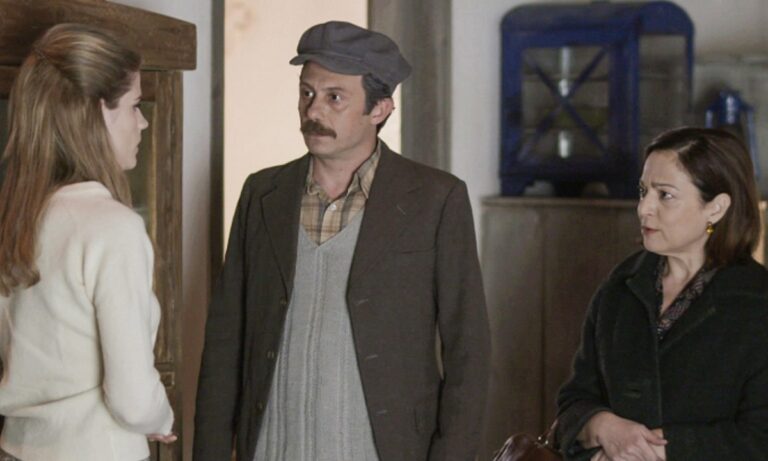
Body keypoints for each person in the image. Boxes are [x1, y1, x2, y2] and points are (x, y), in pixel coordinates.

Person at [194, 20, 490, 461]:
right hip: (272, 449)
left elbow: (469, 349)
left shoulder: (436, 199)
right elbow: (224, 339)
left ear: (380, 109)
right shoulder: (263, 193)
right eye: (307, 93)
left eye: (334, 97)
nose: (313, 110)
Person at [0, 23, 175, 461]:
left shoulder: (17, 217)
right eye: (134, 105)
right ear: (100, 113)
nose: (143, 121)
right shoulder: (112, 227)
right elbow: (133, 400)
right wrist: (161, 418)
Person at [556, 127, 768, 461]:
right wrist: (602, 426)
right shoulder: (621, 286)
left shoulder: (756, 303)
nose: (644, 208)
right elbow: (574, 401)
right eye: (643, 191)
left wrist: (653, 451)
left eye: (665, 195)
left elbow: (760, 437)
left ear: (716, 208)